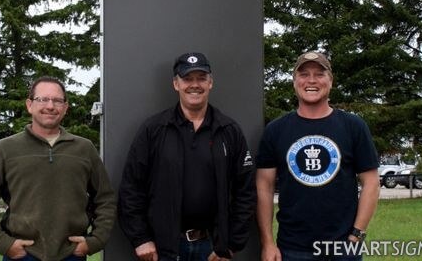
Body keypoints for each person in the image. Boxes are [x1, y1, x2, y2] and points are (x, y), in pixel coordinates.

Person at [118, 52, 256, 261]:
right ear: (176, 84)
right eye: (187, 79)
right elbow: (131, 188)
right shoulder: (154, 129)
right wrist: (140, 238)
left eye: (201, 78)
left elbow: (245, 192)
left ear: (211, 83)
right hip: (165, 249)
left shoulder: (229, 130)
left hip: (213, 248)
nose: (195, 85)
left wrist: (230, 245)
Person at [0, 76, 116, 261]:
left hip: (71, 254)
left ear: (65, 108)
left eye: (57, 100)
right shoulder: (5, 149)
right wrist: (4, 244)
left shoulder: (84, 149)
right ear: (29, 105)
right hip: (22, 255)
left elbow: (105, 199)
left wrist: (94, 241)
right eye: (42, 99)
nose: (50, 106)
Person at [256, 52, 379, 261]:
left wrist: (356, 236)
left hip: (342, 248)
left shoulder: (353, 126)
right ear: (294, 81)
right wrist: (267, 242)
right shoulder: (275, 130)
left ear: (330, 81)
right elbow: (264, 187)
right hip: (292, 249)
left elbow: (371, 183)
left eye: (319, 74)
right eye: (303, 74)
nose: (311, 80)